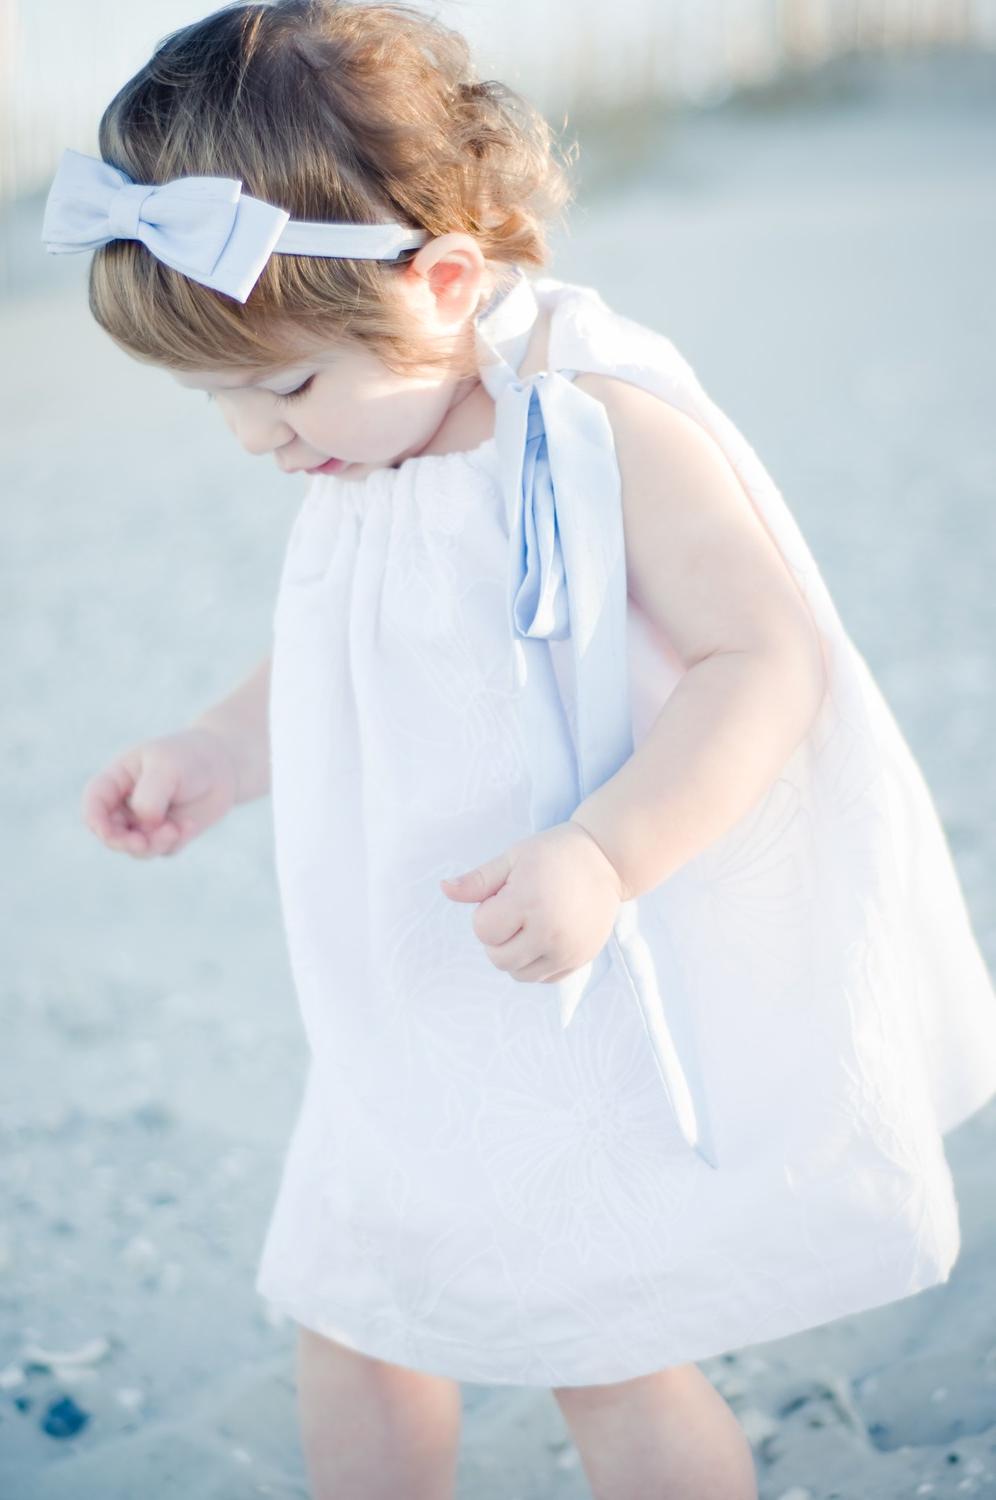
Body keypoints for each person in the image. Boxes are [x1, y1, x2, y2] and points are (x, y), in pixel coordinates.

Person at [44, 2, 996, 1497]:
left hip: (560, 982)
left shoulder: (595, 427)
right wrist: (221, 750)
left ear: (441, 281)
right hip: (398, 992)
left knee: (598, 1346)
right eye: (213, 399)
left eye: (279, 385)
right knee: (354, 1311)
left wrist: (609, 854)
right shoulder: (373, 435)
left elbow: (769, 658)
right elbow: (349, 652)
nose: (251, 438)